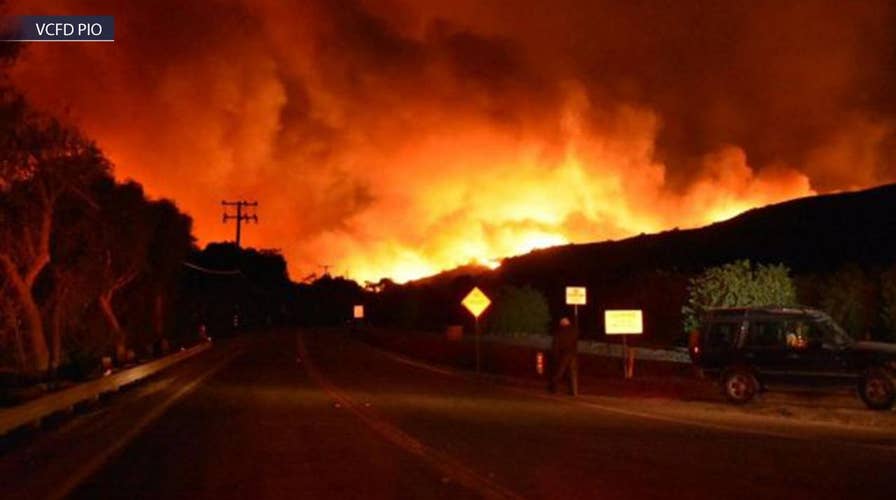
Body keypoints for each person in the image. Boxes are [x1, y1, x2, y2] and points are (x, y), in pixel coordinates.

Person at [550, 317, 579, 396]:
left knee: (559, 372)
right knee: (572, 373)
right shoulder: (574, 331)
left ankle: (554, 388)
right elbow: (575, 343)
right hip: (572, 354)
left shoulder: (560, 332)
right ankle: (574, 391)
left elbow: (556, 344)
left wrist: (555, 355)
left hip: (563, 354)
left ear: (562, 324)